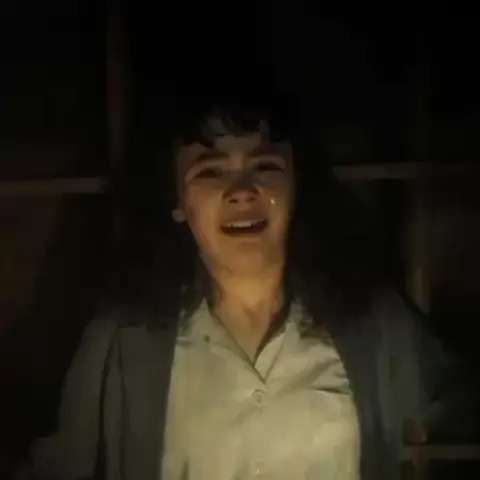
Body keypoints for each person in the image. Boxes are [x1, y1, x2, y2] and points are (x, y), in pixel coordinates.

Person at [17, 95, 453, 480]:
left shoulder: (369, 319)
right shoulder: (125, 336)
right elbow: (58, 465)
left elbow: (455, 410)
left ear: (296, 185)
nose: (242, 191)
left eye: (264, 166)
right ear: (177, 200)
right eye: (211, 172)